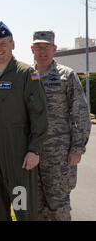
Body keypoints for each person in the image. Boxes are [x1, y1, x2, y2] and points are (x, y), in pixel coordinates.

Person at [0, 22, 48, 221]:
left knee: (23, 210)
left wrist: (34, 150)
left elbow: (39, 115)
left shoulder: (26, 74)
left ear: (12, 45)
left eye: (3, 44)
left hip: (19, 158)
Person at [31, 30, 91, 221]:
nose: (42, 51)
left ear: (54, 48)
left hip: (59, 156)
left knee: (58, 208)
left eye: (47, 47)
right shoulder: (26, 76)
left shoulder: (67, 76)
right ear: (32, 49)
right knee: (36, 207)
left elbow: (80, 113)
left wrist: (77, 148)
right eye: (39, 47)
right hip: (32, 154)